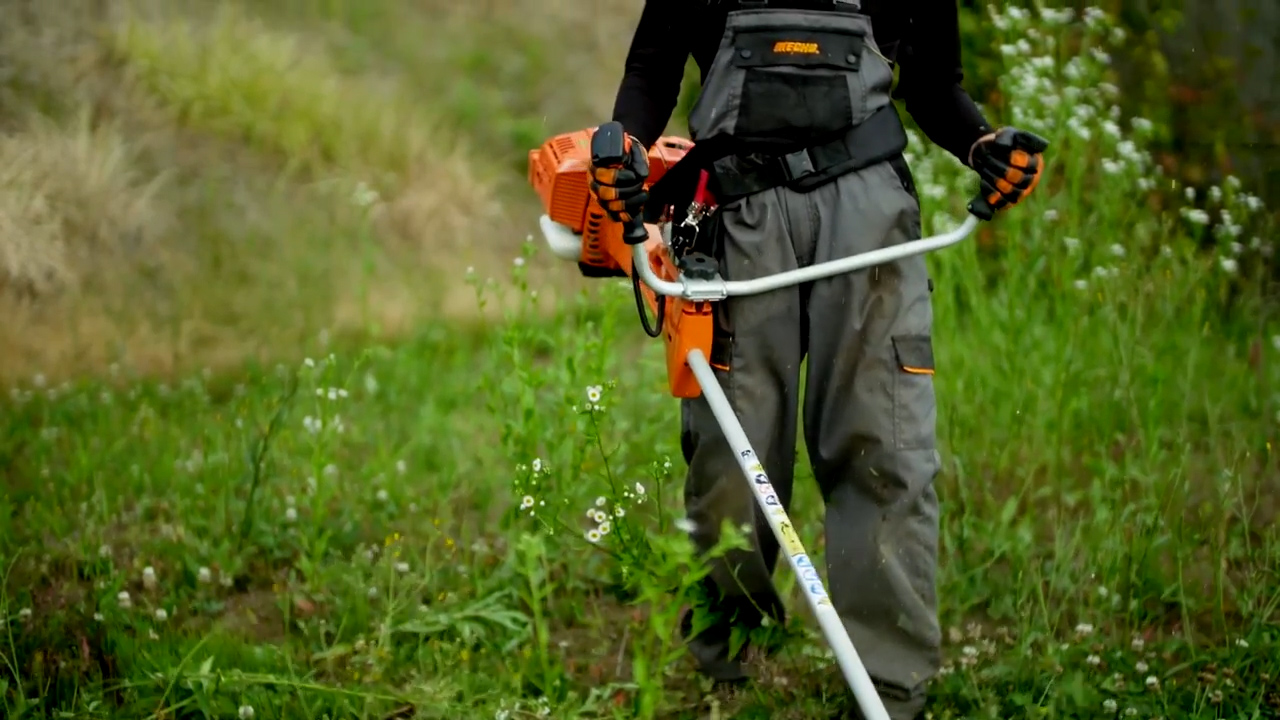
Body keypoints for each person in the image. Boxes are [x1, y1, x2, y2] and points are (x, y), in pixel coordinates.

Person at [587, 1, 1046, 718]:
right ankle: (723, 646)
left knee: (883, 444)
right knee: (732, 450)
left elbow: (933, 86)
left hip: (868, 218)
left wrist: (981, 142)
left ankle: (891, 687)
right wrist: (625, 151)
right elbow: (650, 69)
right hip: (735, 212)